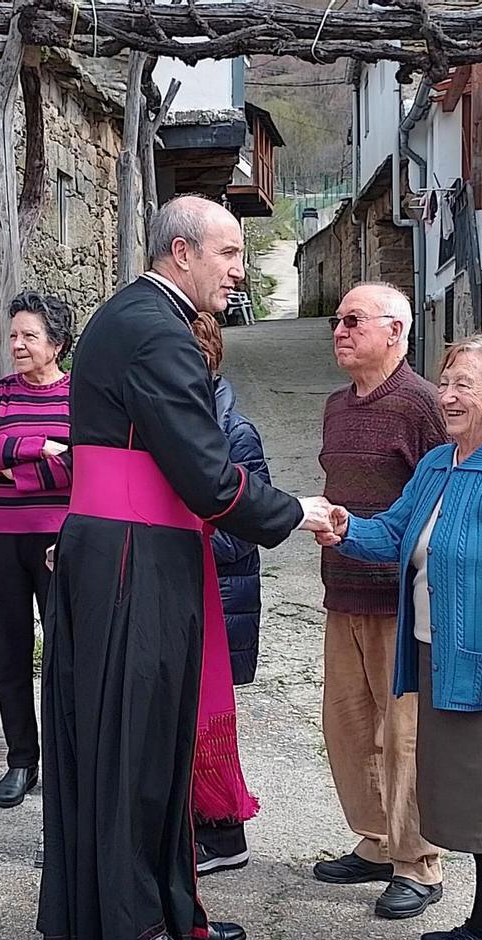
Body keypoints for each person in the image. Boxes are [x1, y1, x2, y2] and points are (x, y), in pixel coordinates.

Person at [37, 196, 335, 940]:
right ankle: (135, 929)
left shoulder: (135, 317)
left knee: (153, 743)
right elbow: (206, 473)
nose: (239, 270)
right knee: (136, 745)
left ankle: (168, 907)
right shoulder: (156, 331)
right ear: (181, 252)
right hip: (135, 554)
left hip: (133, 551)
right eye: (230, 253)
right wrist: (294, 512)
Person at [320, 336, 482, 940]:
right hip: (441, 655)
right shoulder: (438, 464)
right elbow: (396, 535)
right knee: (465, 792)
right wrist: (347, 528)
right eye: (447, 381)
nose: (449, 396)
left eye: (466, 385)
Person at [313, 282, 450, 921]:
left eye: (353, 321)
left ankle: (417, 861)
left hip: (400, 598)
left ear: (396, 331)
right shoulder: (337, 406)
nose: (339, 331)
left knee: (405, 735)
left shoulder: (422, 405)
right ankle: (375, 839)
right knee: (346, 726)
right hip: (342, 590)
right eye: (338, 321)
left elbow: (441, 495)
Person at [0, 292, 77, 809]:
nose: (17, 345)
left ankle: (68, 764)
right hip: (0, 539)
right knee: (8, 652)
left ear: (57, 344)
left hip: (61, 541)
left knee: (64, 656)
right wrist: (38, 449)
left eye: (29, 336)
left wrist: (8, 468)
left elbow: (82, 465)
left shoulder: (82, 396)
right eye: (13, 336)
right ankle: (21, 760)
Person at [188, 311, 272, 876]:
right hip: (182, 592)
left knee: (207, 724)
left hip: (219, 597)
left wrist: (175, 553)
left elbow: (248, 529)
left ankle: (223, 834)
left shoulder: (236, 434)